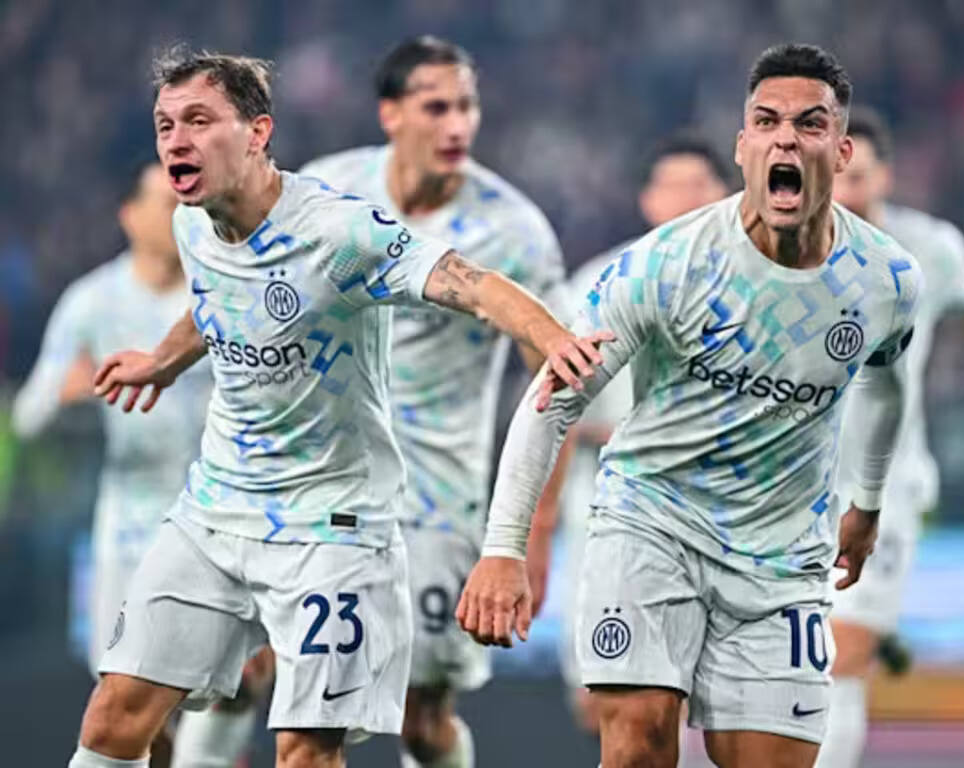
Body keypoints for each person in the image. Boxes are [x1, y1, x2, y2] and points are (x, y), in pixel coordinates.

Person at [66, 47, 604, 768]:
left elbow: (472, 283)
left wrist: (552, 337)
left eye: (199, 120)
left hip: (333, 529)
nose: (176, 141)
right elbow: (219, 300)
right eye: (166, 125)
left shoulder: (342, 231)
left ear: (258, 132)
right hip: (218, 511)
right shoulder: (194, 225)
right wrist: (162, 360)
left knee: (316, 749)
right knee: (114, 716)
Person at [457, 43, 923, 768]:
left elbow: (889, 387)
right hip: (653, 527)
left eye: (809, 123)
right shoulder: (666, 264)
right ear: (743, 147)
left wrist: (866, 503)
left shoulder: (886, 280)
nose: (786, 138)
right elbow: (554, 396)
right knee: (639, 747)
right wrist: (504, 546)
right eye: (766, 121)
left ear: (841, 150)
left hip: (780, 557)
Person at [301, 36, 569, 768]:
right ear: (391, 113)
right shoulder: (328, 193)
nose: (457, 125)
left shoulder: (512, 230)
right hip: (329, 483)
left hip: (439, 502)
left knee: (422, 718)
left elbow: (560, 380)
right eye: (436, 107)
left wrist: (534, 530)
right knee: (304, 710)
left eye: (467, 107)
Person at [12, 163, 264, 768]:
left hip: (223, 517)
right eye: (165, 201)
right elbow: (27, 416)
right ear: (129, 216)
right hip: (128, 529)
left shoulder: (223, 289)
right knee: (137, 710)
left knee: (240, 681)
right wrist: (66, 397)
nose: (182, 212)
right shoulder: (92, 303)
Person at [817, 107, 964, 768]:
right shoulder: (780, 249)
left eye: (860, 177)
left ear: (886, 177)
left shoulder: (928, 248)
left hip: (886, 486)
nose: (847, 191)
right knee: (798, 657)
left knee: (846, 648)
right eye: (836, 177)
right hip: (789, 484)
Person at [555, 132, 732, 734]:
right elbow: (555, 406)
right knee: (602, 698)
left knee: (707, 697)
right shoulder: (599, 281)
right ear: (647, 200)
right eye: (672, 187)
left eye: (699, 186)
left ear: (726, 195)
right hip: (609, 501)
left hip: (722, 505)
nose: (686, 199)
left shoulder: (756, 281)